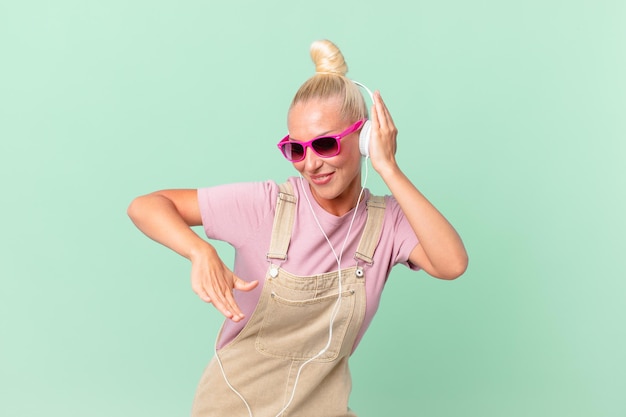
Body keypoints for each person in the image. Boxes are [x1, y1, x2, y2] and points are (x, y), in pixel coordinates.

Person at [127, 39, 468, 417]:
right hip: (235, 408)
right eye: (296, 149)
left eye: (325, 144)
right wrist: (199, 251)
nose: (310, 164)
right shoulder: (265, 206)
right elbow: (146, 206)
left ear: (365, 138)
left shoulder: (386, 222)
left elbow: (452, 264)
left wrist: (389, 167)